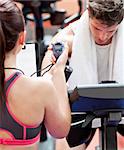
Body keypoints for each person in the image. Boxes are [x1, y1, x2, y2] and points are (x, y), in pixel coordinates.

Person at [43, 0, 124, 149]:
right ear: (89, 14)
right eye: (97, 28)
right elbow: (45, 79)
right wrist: (55, 63)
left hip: (120, 112)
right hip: (79, 111)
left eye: (111, 31)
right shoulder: (67, 38)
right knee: (66, 143)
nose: (102, 36)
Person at [0, 0, 71, 149]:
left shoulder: (41, 87)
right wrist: (58, 72)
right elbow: (60, 130)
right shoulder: (41, 89)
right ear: (22, 38)